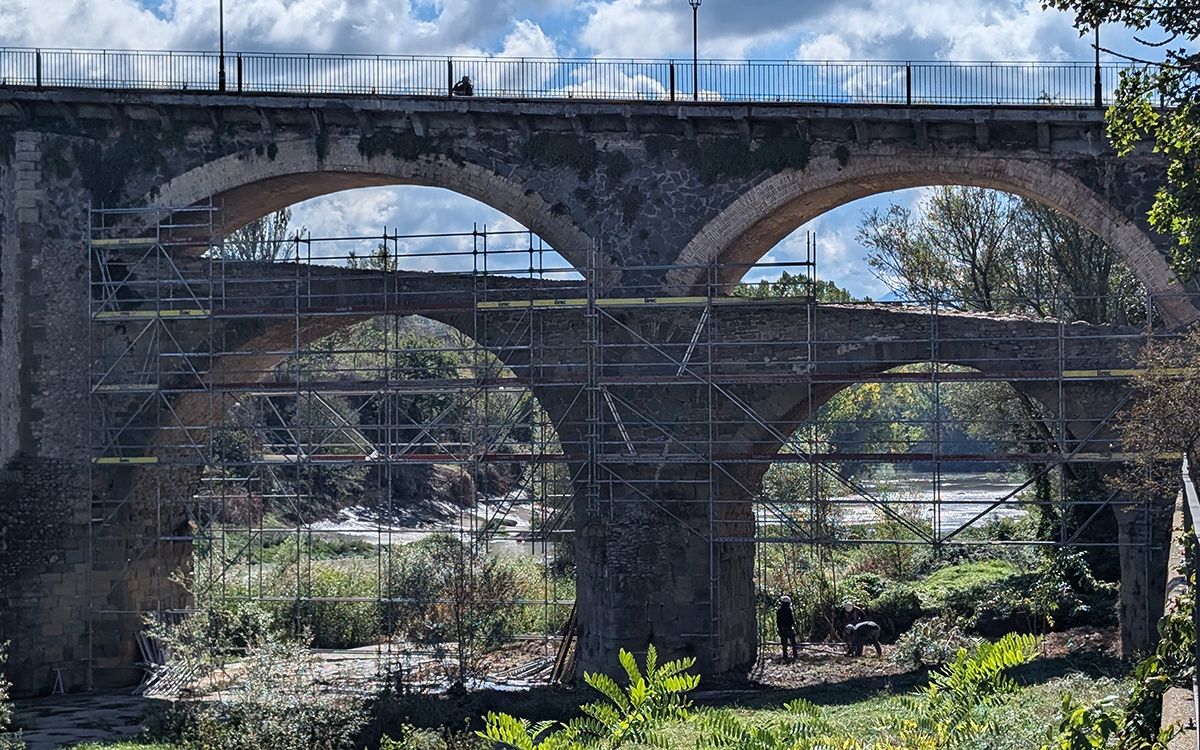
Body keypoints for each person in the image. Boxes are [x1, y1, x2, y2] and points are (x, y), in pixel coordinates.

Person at [776, 595, 798, 660]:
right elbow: (791, 620)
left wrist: (779, 629)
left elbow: (778, 621)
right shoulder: (788, 610)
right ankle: (795, 655)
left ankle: (785, 656)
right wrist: (795, 627)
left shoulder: (779, 611)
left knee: (784, 644)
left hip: (782, 629)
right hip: (789, 629)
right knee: (793, 643)